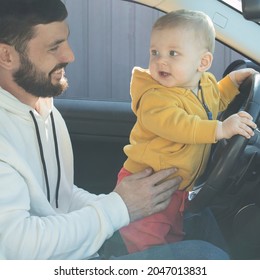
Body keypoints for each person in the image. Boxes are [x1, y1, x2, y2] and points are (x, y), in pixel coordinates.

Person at [0, 0, 230, 260]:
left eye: (66, 41)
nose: (70, 55)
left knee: (202, 218)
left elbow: (58, 197)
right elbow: (15, 247)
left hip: (82, 250)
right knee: (207, 257)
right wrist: (118, 208)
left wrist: (127, 206)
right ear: (7, 56)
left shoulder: (42, 106)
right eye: (54, 47)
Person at [115, 10, 258, 254]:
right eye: (155, 52)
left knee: (173, 236)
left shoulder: (203, 84)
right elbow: (181, 126)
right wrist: (221, 129)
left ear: (202, 63)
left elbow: (215, 103)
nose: (161, 60)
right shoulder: (154, 98)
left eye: (173, 53)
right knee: (149, 245)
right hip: (147, 188)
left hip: (176, 190)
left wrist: (233, 83)